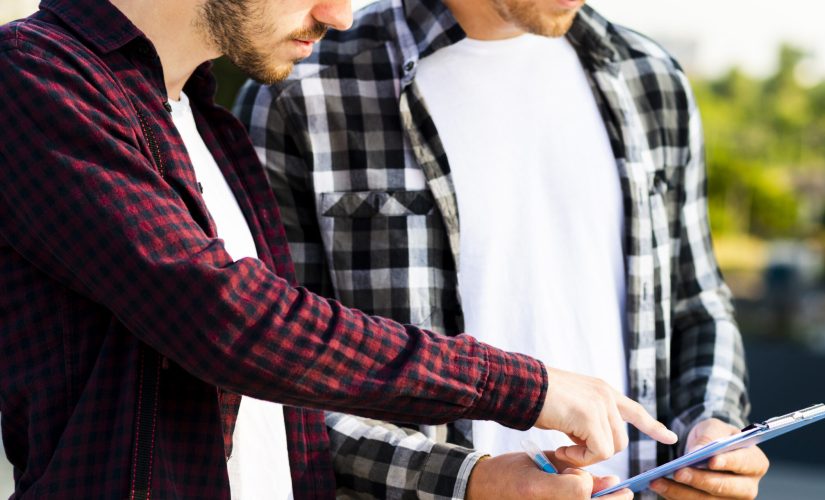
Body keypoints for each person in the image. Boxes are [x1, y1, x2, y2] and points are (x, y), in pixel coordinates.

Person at [0, 0, 677, 498]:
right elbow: (236, 322)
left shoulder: (210, 128)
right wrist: (523, 387)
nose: (339, 14)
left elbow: (293, 389)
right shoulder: (31, 77)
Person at [236, 0, 771, 498]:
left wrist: (713, 427)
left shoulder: (649, 77)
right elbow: (275, 373)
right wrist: (470, 482)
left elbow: (697, 304)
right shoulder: (305, 87)